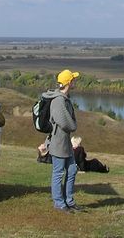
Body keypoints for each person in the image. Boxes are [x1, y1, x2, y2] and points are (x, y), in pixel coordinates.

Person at [43, 69, 81, 212]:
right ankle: (59, 203)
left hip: (65, 142)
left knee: (72, 170)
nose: (75, 81)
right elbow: (65, 122)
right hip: (58, 142)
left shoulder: (64, 98)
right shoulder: (58, 100)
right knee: (58, 172)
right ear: (69, 82)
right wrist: (74, 125)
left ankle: (69, 201)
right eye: (73, 79)